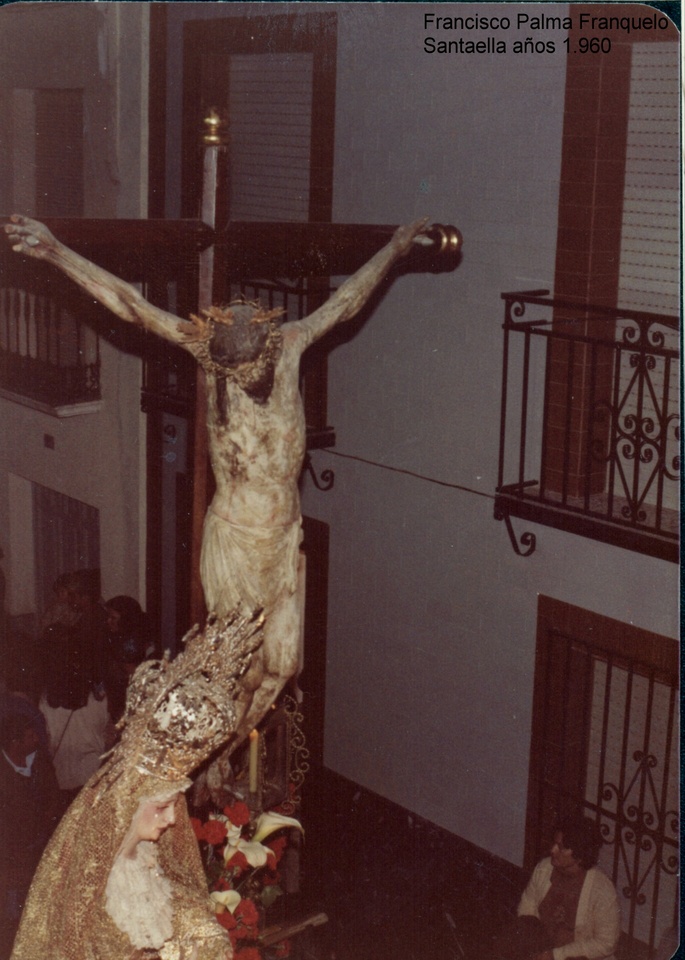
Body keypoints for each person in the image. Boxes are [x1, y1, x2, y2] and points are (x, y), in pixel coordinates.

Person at [5, 214, 429, 756]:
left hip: (283, 537)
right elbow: (130, 305)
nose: (240, 377)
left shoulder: (291, 343)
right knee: (242, 671)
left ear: (266, 347)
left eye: (247, 368)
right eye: (231, 369)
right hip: (234, 540)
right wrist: (54, 251)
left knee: (284, 665)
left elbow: (346, 303)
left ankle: (222, 753)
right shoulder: (208, 350)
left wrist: (394, 249)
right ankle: (212, 759)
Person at [10, 608, 264, 960]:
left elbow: (177, 900)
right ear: (128, 802)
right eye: (162, 807)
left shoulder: (147, 857)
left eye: (173, 806)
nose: (172, 819)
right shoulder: (91, 878)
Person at [494, 817, 621, 960]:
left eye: (561, 847)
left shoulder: (602, 890)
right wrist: (532, 948)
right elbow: (527, 908)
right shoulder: (544, 868)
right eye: (554, 843)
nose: (553, 850)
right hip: (542, 950)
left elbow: (606, 944)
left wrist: (556, 955)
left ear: (580, 855)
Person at [0, 711, 60, 958]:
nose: (37, 738)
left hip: (38, 848)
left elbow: (54, 797)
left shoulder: (40, 760)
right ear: (15, 743)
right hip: (10, 856)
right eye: (30, 736)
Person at [39, 623, 112, 812]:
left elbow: (47, 742)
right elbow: (107, 734)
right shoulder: (98, 695)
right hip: (92, 777)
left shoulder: (46, 701)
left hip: (61, 779)